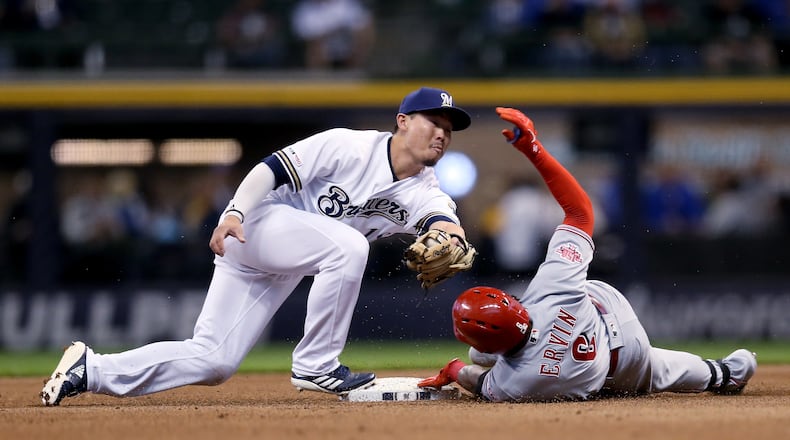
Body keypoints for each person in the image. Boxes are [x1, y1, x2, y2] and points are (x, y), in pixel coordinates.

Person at [40, 86, 475, 406]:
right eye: (433, 123)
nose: (442, 134)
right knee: (348, 247)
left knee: (214, 360)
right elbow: (272, 169)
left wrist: (451, 238)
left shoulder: (425, 189)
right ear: (402, 121)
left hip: (286, 257)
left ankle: (90, 368)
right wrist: (235, 212)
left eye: (448, 130)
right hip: (259, 226)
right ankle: (317, 364)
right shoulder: (350, 145)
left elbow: (445, 222)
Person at [418, 107, 757, 402]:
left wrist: (453, 369)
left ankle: (722, 373)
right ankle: (723, 373)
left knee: (657, 370)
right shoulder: (552, 288)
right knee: (654, 364)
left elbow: (474, 379)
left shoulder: (515, 384)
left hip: (617, 373)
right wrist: (534, 150)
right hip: (620, 332)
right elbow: (580, 213)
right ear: (513, 303)